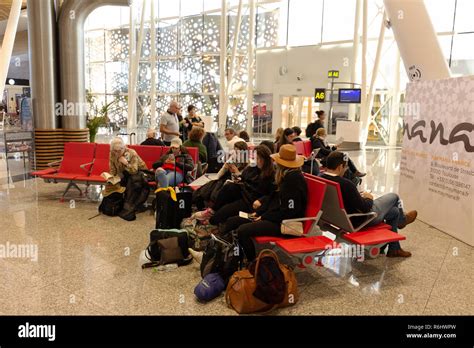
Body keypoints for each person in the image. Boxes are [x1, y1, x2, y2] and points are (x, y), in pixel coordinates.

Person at [216, 144, 308, 262]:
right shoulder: (287, 176)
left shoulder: (293, 181)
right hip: (275, 217)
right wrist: (259, 212)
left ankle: (252, 262)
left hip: (285, 224)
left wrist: (264, 216)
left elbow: (290, 211)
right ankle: (230, 255)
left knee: (242, 230)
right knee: (232, 221)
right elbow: (274, 198)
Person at [321, 151, 417, 258]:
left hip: (339, 219)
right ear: (339, 167)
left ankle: (394, 249)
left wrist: (358, 197)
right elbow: (366, 208)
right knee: (394, 196)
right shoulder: (346, 184)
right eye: (345, 168)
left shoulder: (320, 177)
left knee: (394, 212)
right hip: (362, 219)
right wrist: (368, 197)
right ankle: (402, 221)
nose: (345, 171)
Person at [194, 145, 276, 226]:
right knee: (229, 187)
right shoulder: (253, 168)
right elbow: (241, 178)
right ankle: (212, 211)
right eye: (255, 158)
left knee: (225, 210)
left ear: (265, 159)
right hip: (244, 193)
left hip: (251, 200)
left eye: (258, 159)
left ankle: (211, 221)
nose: (256, 161)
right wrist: (238, 177)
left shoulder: (271, 174)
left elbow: (272, 194)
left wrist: (261, 200)